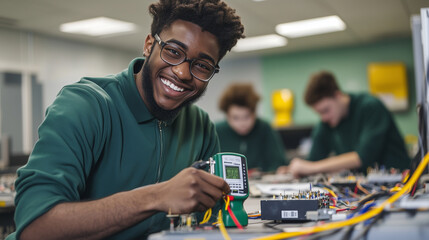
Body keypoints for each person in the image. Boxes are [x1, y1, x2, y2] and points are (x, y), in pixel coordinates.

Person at [8, 1, 245, 239]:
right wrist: (157, 197)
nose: (182, 73)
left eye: (202, 65)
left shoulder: (200, 127)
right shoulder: (85, 105)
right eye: (173, 51)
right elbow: (35, 228)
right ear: (149, 45)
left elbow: (216, 221)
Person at [277, 71, 411, 178]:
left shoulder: (370, 107)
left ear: (337, 95)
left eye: (325, 110)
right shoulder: (326, 124)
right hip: (362, 187)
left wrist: (311, 168)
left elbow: (361, 157)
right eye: (319, 113)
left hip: (399, 182)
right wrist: (292, 169)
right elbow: (312, 161)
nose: (324, 118)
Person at [215, 83, 287, 176]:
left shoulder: (264, 128)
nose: (242, 123)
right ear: (227, 116)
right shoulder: (216, 131)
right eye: (235, 118)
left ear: (254, 113)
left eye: (247, 117)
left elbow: (278, 163)